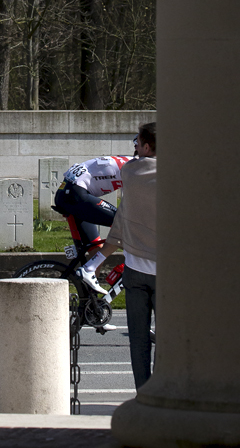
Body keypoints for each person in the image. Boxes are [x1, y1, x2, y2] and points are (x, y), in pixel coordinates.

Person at [105, 122, 157, 389]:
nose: (134, 147)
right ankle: (161, 392)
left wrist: (104, 253)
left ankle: (142, 393)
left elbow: (122, 215)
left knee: (138, 339)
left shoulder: (131, 172)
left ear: (147, 146)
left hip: (135, 269)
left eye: (137, 142)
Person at [54, 153, 134, 295]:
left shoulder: (130, 161)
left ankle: (90, 304)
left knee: (95, 248)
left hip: (69, 191)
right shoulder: (137, 168)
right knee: (122, 224)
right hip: (76, 194)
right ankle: (90, 269)